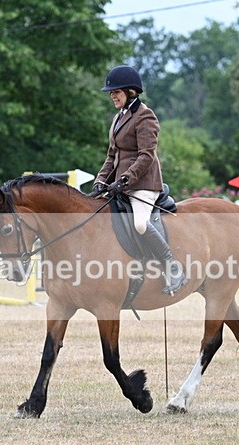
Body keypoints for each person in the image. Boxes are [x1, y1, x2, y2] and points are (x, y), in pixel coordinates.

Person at [90, 65, 187, 295]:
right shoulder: (118, 118)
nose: (112, 96)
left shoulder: (145, 116)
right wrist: (100, 181)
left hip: (143, 184)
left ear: (131, 91)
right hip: (120, 186)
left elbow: (146, 156)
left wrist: (124, 180)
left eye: (116, 92)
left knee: (140, 224)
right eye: (111, 93)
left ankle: (172, 266)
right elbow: (112, 156)